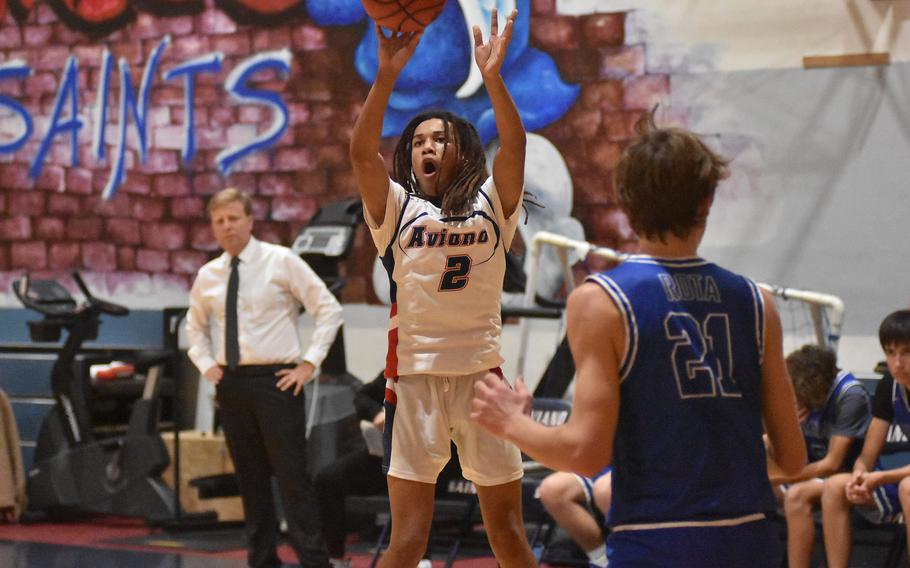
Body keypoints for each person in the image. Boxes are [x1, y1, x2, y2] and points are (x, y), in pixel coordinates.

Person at [471, 112, 807, 567]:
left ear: (625, 203)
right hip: (750, 539)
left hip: (657, 541)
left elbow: (586, 454)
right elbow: (792, 458)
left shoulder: (601, 301)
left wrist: (510, 422)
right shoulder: (757, 302)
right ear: (707, 201)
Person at [348, 8, 536, 568]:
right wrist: (385, 76)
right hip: (415, 379)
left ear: (463, 151)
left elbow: (517, 148)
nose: (428, 147)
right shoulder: (397, 210)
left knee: (507, 532)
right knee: (409, 539)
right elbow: (361, 153)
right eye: (420, 141)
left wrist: (495, 78)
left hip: (483, 376)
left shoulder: (490, 206)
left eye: (441, 139)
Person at [186, 188, 343, 568]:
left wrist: (309, 364)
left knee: (293, 480)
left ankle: (314, 561)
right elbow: (194, 329)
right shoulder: (209, 275)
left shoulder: (280, 261)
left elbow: (329, 309)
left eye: (233, 218)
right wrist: (206, 364)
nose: (227, 227)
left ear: (250, 220)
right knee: (250, 481)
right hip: (232, 384)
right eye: (219, 221)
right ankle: (262, 559)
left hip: (277, 381)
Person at [821, 309, 910, 568]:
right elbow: (868, 456)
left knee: (908, 488)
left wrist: (881, 478)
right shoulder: (888, 387)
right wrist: (860, 476)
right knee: (836, 485)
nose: (897, 363)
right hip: (898, 478)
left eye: (906, 352)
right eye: (890, 352)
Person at [768, 345, 870, 568]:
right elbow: (774, 446)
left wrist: (782, 478)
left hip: (848, 474)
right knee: (752, 478)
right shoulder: (802, 393)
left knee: (796, 495)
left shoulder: (850, 395)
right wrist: (787, 425)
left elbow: (832, 464)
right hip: (810, 470)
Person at [538, 467, 612, 568]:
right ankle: (603, 561)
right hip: (602, 464)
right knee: (553, 489)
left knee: (607, 491)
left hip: (633, 465)